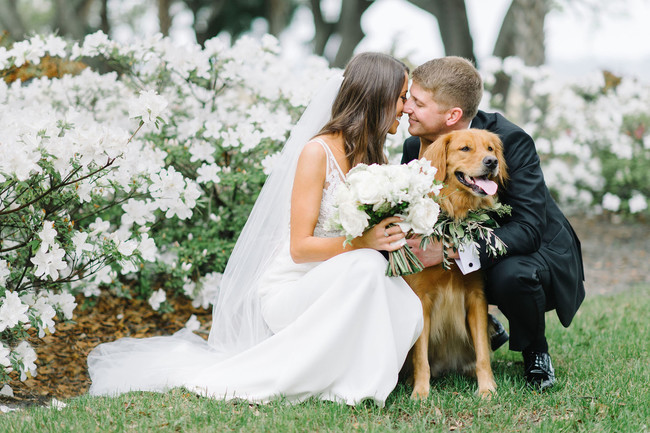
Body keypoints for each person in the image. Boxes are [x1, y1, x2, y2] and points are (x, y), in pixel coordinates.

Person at [87, 52, 423, 406]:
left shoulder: (373, 159)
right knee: (367, 265)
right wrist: (363, 243)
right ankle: (350, 387)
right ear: (379, 96)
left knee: (404, 299)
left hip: (340, 282)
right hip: (292, 289)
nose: (406, 108)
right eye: (402, 97)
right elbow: (300, 248)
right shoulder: (317, 152)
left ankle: (353, 374)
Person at [400, 56, 585, 390]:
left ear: (452, 115)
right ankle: (479, 325)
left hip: (534, 247)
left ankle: (535, 351)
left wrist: (452, 250)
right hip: (467, 241)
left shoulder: (510, 141)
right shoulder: (415, 145)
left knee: (509, 274)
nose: (406, 108)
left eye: (417, 102)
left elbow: (527, 229)